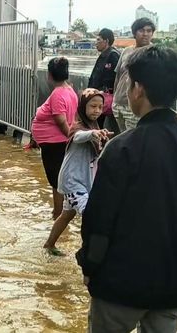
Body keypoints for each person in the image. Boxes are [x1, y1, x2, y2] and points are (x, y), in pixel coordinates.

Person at [76, 46, 177, 333]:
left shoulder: (121, 148)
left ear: (138, 89)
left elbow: (99, 220)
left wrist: (90, 267)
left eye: (129, 85)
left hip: (120, 283)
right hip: (175, 284)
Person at [46, 92, 110, 256]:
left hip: (82, 182)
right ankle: (89, 255)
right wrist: (93, 134)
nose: (97, 110)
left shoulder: (95, 127)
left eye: (100, 107)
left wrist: (103, 138)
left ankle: (49, 244)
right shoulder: (79, 127)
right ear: (83, 107)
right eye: (93, 106)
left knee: (66, 215)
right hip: (72, 182)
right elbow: (77, 137)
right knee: (90, 216)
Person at [30, 57, 78, 236]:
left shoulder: (59, 93)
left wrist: (71, 138)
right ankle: (58, 215)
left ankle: (58, 216)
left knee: (57, 182)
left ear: (49, 75)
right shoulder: (69, 90)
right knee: (57, 181)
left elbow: (61, 121)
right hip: (55, 143)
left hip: (55, 144)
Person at [111, 17, 155, 132]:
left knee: (134, 139)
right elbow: (118, 76)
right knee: (122, 137)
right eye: (141, 30)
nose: (145, 34)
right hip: (118, 104)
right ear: (134, 33)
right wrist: (114, 97)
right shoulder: (126, 51)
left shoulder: (154, 53)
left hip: (136, 106)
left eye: (149, 31)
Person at [87, 28, 120, 134]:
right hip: (97, 95)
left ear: (106, 41)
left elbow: (115, 77)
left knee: (97, 125)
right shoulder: (103, 55)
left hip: (103, 98)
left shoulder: (113, 55)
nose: (96, 43)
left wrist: (104, 90)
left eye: (98, 40)